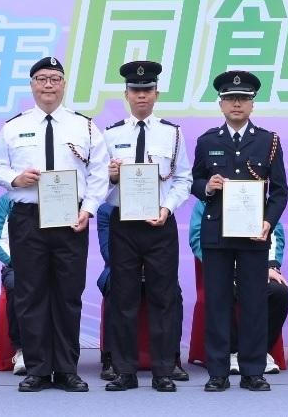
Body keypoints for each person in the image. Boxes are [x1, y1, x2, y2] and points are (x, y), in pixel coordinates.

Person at [0, 56, 109, 393]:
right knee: (30, 294)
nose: (48, 85)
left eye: (54, 79)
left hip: (71, 219)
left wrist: (87, 210)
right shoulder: (13, 126)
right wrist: (16, 178)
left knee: (68, 295)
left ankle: (67, 369)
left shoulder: (84, 126)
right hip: (28, 218)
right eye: (41, 79)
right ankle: (38, 369)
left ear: (63, 85)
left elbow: (99, 173)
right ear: (32, 85)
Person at [188, 70, 286, 393]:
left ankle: (253, 371)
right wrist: (209, 186)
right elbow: (194, 182)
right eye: (230, 98)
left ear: (252, 104)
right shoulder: (207, 141)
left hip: (254, 235)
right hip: (216, 234)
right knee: (217, 302)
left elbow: (280, 191)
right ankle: (217, 371)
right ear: (221, 104)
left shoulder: (269, 141)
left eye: (243, 98)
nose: (236, 104)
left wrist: (268, 222)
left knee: (254, 302)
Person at [99, 61, 192, 393]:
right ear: (126, 94)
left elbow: (183, 179)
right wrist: (110, 176)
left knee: (163, 297)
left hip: (159, 225)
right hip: (123, 222)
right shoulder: (110, 135)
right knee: (123, 297)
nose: (141, 96)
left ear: (156, 93)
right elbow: (99, 185)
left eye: (147, 90)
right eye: (135, 91)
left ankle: (163, 369)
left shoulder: (173, 133)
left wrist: (168, 208)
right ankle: (124, 370)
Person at [0, 195, 25, 374]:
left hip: (48, 263)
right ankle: (21, 351)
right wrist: (18, 262)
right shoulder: (7, 201)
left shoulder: (53, 193)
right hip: (15, 266)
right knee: (17, 284)